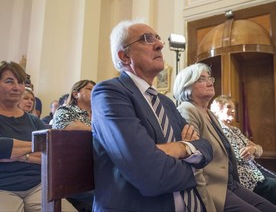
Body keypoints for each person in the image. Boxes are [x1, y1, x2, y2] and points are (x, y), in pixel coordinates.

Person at [91, 19, 213, 212]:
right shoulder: (109, 93)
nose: (159, 44)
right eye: (146, 39)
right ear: (124, 56)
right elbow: (150, 176)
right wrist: (193, 167)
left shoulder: (166, 102)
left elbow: (206, 148)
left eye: (157, 38)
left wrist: (176, 148)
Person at [173, 62, 276, 212]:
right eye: (202, 79)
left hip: (230, 183)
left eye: (209, 78)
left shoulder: (210, 114)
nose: (209, 82)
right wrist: (206, 202)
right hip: (213, 187)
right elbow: (194, 160)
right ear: (187, 86)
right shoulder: (187, 109)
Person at [0, 61, 76, 212]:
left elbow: (52, 153)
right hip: (3, 188)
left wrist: (18, 154)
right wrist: (37, 146)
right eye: (9, 81)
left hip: (38, 186)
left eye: (21, 83)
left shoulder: (33, 121)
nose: (17, 87)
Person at [210, 95, 276, 212]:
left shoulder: (235, 130)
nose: (233, 110)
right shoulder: (217, 130)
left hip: (255, 170)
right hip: (243, 176)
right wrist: (252, 150)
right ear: (218, 109)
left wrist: (254, 149)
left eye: (234, 108)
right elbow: (237, 156)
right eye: (229, 107)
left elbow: (258, 149)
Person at [53, 79, 96, 212]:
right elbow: (68, 127)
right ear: (76, 94)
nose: (94, 91)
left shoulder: (99, 113)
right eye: (89, 89)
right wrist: (99, 129)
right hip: (73, 174)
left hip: (97, 169)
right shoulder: (64, 110)